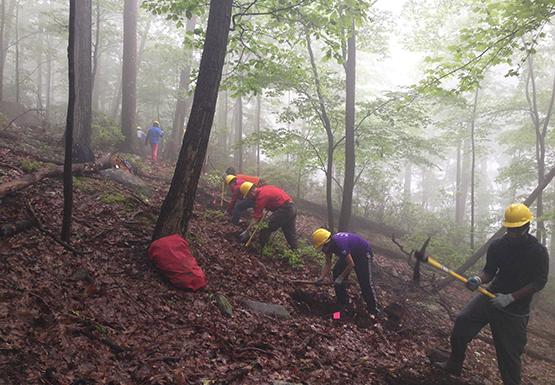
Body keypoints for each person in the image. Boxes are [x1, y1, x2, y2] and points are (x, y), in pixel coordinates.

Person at [435, 203, 549, 385]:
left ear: (527, 227)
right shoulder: (498, 245)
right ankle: (454, 364)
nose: (512, 234)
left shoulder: (538, 252)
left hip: (515, 310)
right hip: (490, 296)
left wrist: (511, 298)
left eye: (516, 230)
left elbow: (539, 282)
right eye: (509, 229)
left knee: (510, 356)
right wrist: (479, 280)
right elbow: (489, 271)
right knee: (463, 322)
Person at [312, 228, 379, 315]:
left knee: (364, 282)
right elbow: (328, 263)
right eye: (321, 247)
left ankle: (373, 309)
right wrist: (321, 278)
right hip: (350, 253)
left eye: (323, 246)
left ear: (328, 242)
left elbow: (351, 264)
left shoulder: (340, 244)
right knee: (336, 271)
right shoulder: (328, 246)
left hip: (362, 254)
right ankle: (343, 302)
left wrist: (341, 277)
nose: (323, 249)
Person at [239, 181, 297, 253]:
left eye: (248, 196)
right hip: (292, 207)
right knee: (290, 233)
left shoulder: (261, 196)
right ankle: (296, 252)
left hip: (285, 209)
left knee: (265, 228)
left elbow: (256, 216)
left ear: (250, 192)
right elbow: (261, 213)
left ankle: (261, 250)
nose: (249, 198)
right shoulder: (264, 189)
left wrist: (247, 231)